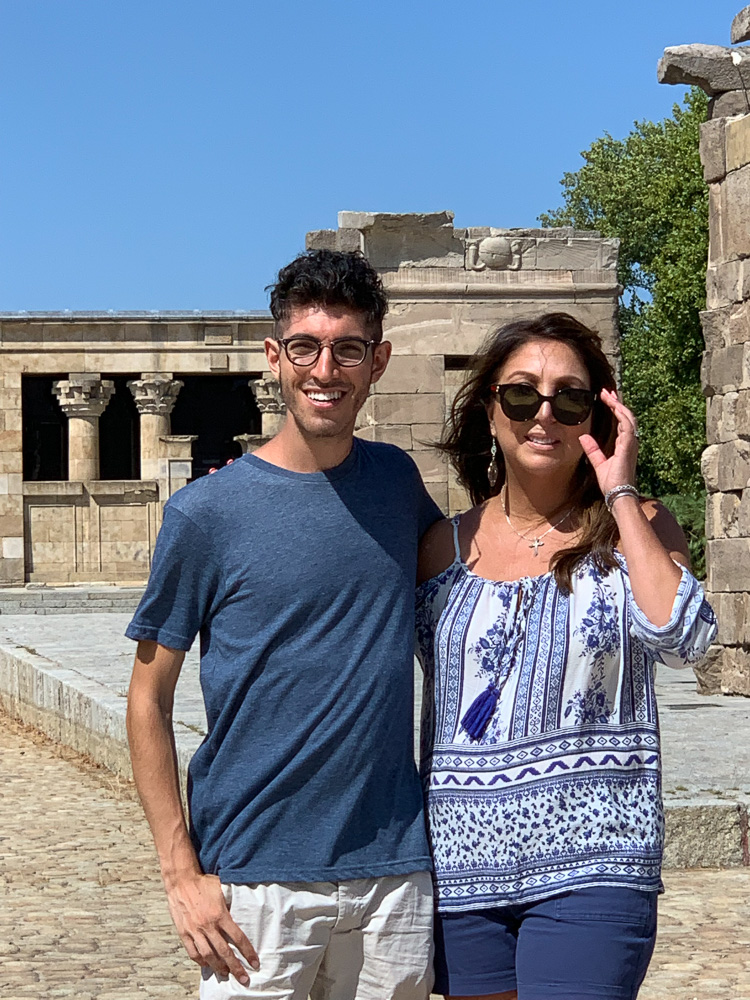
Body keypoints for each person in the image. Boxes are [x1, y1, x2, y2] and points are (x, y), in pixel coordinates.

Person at [125, 249, 442, 1000]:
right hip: (253, 884)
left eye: (348, 349)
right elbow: (147, 698)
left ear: (379, 361)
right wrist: (181, 873)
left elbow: (478, 569)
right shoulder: (206, 515)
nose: (324, 368)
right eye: (305, 346)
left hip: (392, 874)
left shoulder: (398, 483)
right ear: (275, 357)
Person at [416, 313, 717, 1000]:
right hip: (463, 867)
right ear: (490, 409)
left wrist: (620, 489)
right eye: (522, 394)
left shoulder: (639, 528)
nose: (543, 414)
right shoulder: (439, 545)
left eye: (569, 398)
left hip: (597, 859)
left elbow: (684, 637)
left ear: (597, 415)